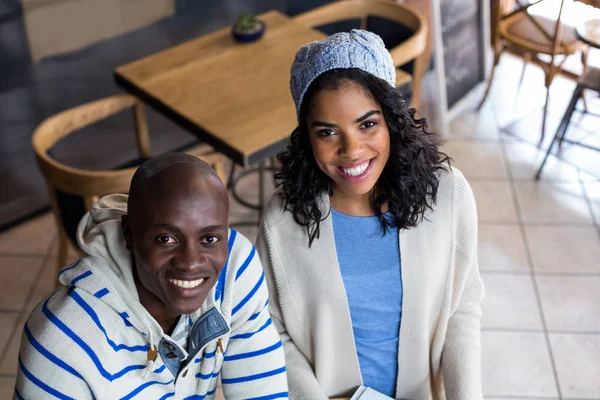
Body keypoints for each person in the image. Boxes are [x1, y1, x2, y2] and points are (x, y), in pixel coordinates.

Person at [255, 30, 484, 399]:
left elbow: (461, 310)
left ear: (391, 119)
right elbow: (273, 333)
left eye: (367, 124)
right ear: (307, 138)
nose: (352, 150)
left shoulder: (447, 194)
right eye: (328, 132)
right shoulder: (283, 221)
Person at [16, 153, 288, 399]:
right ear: (129, 235)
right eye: (166, 238)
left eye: (209, 238)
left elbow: (262, 392)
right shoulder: (62, 344)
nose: (191, 262)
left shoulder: (235, 270)